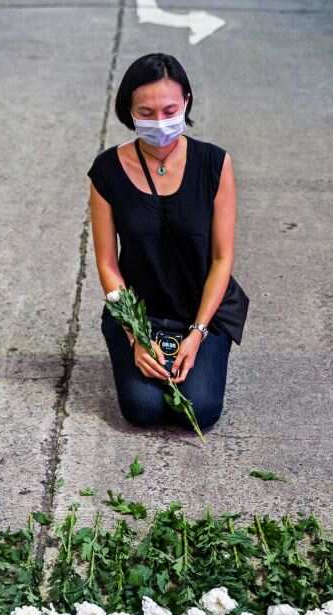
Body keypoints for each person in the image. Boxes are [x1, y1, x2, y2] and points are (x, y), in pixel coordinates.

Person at [87, 53, 248, 434]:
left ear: (187, 102)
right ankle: (136, 348)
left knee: (200, 408)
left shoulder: (214, 164)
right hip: (141, 312)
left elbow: (223, 258)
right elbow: (107, 264)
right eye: (146, 112)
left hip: (202, 312)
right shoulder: (106, 171)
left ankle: (199, 345)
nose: (160, 122)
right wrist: (136, 336)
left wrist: (198, 333)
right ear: (128, 111)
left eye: (169, 109)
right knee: (142, 409)